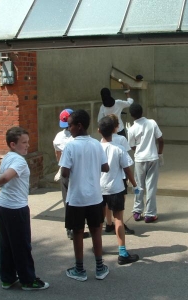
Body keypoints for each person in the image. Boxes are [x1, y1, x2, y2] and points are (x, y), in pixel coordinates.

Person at [0, 127, 49, 291]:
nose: (27, 145)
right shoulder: (19, 161)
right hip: (15, 208)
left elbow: (3, 174)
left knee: (7, 244)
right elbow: (6, 177)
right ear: (13, 144)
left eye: (28, 142)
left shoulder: (8, 157)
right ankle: (28, 280)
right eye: (24, 143)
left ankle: (8, 279)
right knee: (22, 245)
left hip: (4, 206)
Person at [59, 109, 110, 282]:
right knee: (96, 230)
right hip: (95, 197)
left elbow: (64, 173)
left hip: (77, 198)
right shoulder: (96, 144)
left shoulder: (71, 146)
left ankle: (79, 269)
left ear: (79, 126)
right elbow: (106, 168)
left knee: (78, 232)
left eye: (70, 125)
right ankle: (99, 267)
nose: (69, 129)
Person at [98, 116, 141, 265]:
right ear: (115, 129)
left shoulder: (95, 147)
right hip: (116, 188)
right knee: (118, 220)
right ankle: (122, 252)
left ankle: (98, 248)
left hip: (98, 189)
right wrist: (135, 185)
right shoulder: (119, 149)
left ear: (99, 131)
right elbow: (127, 170)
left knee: (98, 220)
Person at [53, 108, 90, 240]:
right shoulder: (77, 139)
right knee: (79, 203)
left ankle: (70, 229)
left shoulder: (58, 137)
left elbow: (58, 156)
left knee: (67, 201)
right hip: (77, 173)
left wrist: (62, 166)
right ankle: (77, 229)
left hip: (64, 171)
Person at [128, 103, 164, 223]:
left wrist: (139, 150)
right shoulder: (152, 123)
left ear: (131, 115)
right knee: (151, 186)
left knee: (138, 185)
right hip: (153, 158)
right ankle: (150, 214)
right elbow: (161, 139)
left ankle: (137, 211)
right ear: (142, 112)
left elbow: (132, 146)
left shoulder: (132, 129)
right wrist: (159, 153)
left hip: (139, 159)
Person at [101, 114, 135, 235]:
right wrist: (134, 183)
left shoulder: (100, 142)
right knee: (119, 207)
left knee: (104, 204)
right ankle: (118, 225)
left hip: (103, 180)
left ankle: (108, 223)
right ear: (117, 127)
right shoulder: (121, 140)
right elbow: (125, 162)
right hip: (119, 177)